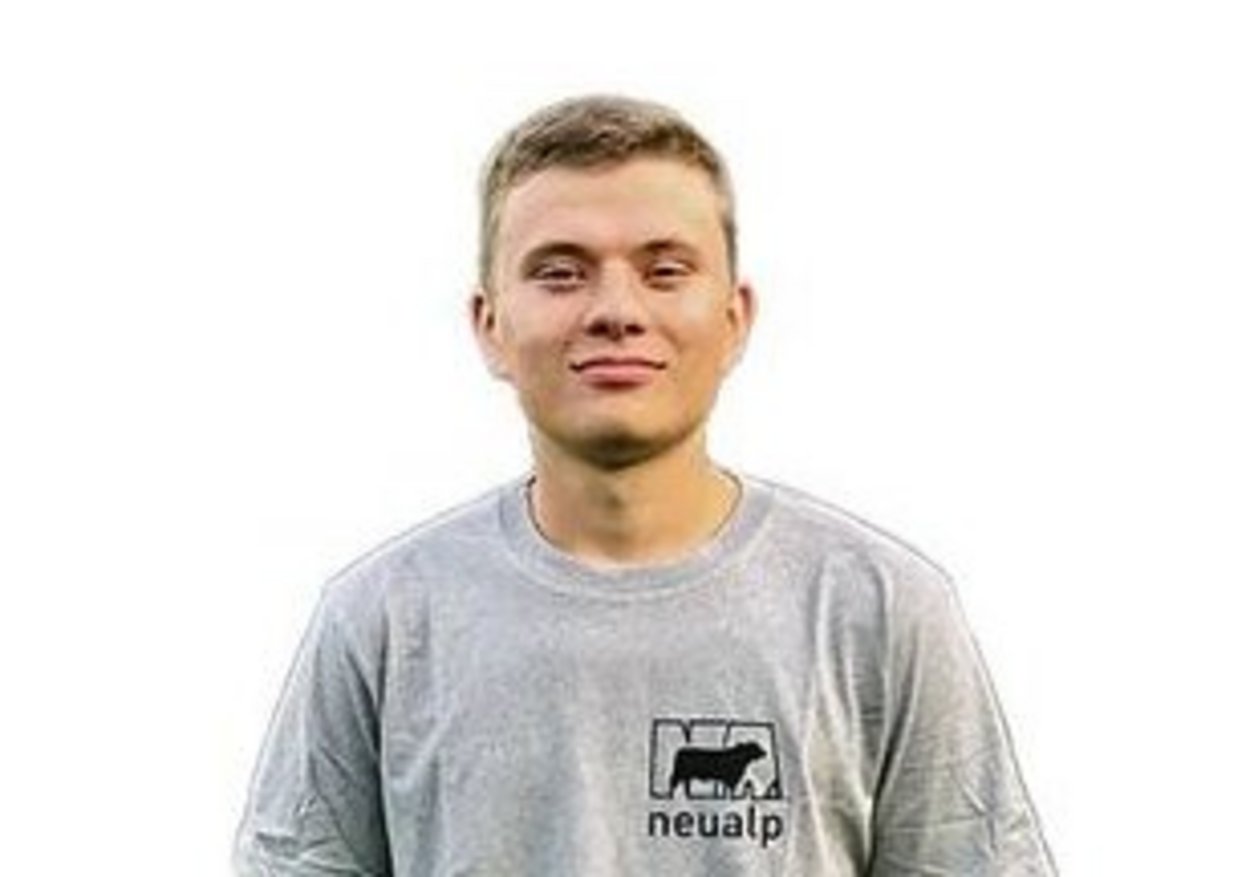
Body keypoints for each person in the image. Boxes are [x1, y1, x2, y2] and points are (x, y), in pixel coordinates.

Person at [232, 94, 1057, 875]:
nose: (616, 310)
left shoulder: (880, 609)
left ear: (734, 317)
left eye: (665, 270)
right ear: (490, 325)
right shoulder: (382, 620)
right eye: (561, 272)